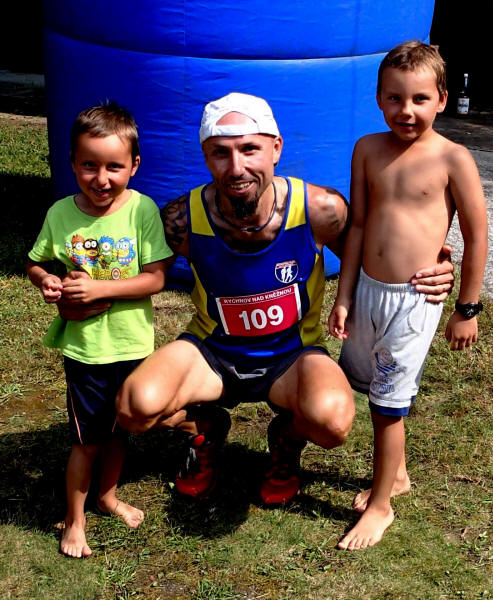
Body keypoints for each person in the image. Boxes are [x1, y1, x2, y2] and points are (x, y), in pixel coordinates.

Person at [113, 91, 454, 517]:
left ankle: (286, 440)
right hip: (212, 353)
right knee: (134, 408)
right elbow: (138, 270)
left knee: (333, 421)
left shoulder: (320, 209)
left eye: (249, 149)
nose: (237, 167)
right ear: (206, 157)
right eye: (221, 153)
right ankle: (204, 429)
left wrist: (435, 266)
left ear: (276, 148)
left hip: (292, 357)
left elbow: (377, 259)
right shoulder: (182, 219)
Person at [328, 41, 487, 550]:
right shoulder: (366, 149)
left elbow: (477, 236)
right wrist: (345, 295)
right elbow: (357, 226)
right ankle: (395, 475)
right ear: (378, 98)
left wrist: (466, 308)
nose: (406, 110)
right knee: (367, 385)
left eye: (420, 98)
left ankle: (381, 506)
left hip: (415, 301)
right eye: (394, 98)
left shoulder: (453, 158)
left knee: (387, 406)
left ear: (442, 99)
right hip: (368, 291)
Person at [27, 102, 172, 558]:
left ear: (134, 165)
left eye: (114, 166)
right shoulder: (60, 214)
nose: (101, 178)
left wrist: (100, 288)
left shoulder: (142, 210)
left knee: (119, 431)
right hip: (86, 350)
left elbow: (156, 278)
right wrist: (46, 280)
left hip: (132, 344)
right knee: (86, 441)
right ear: (73, 163)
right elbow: (35, 262)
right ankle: (75, 520)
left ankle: (107, 496)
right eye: (89, 165)